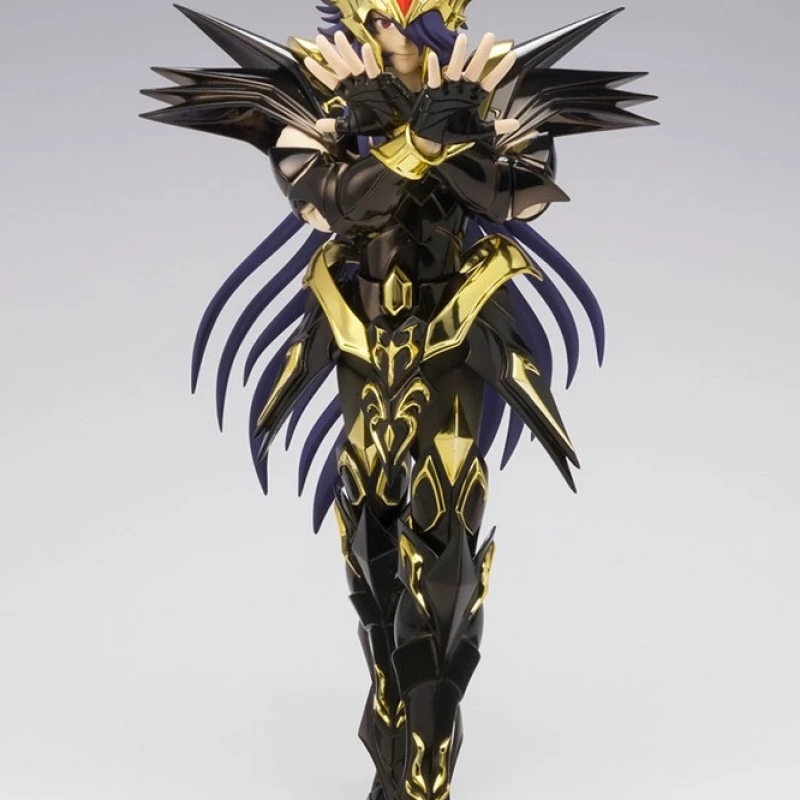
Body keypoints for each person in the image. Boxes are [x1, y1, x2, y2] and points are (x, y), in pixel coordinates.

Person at [142, 3, 656, 797]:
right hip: (361, 335)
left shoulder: (495, 91)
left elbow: (515, 197)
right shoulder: (322, 94)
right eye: (384, 12)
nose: (401, 26)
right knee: (372, 535)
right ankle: (391, 725)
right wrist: (414, 140)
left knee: (444, 536)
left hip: (455, 331)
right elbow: (332, 204)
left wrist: (461, 131)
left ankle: (427, 761)